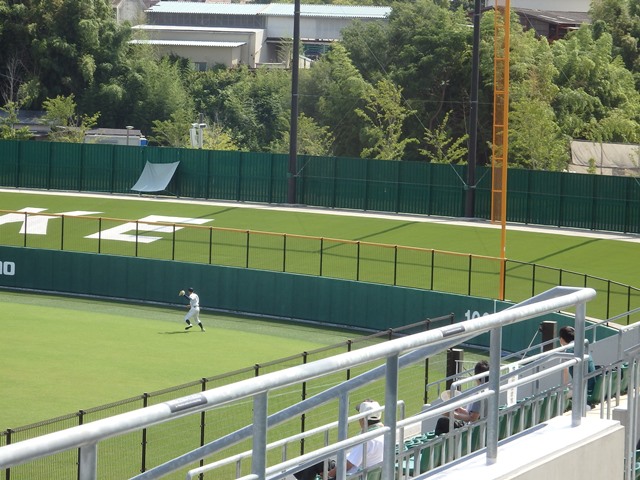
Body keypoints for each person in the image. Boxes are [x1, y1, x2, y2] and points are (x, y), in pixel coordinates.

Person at [293, 399, 384, 480]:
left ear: (362, 418)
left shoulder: (366, 439)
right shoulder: (384, 432)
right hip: (364, 473)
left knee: (312, 466)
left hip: (351, 475)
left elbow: (348, 465)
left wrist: (330, 474)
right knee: (319, 462)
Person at [435, 360, 489, 436]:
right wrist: (460, 409)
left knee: (442, 422)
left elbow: (472, 418)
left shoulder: (480, 394)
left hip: (472, 431)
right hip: (478, 428)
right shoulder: (487, 389)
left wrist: (451, 414)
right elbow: (473, 414)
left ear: (476, 375)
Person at [559, 325, 595, 395]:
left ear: (561, 339)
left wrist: (565, 391)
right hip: (592, 385)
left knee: (562, 396)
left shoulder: (568, 351)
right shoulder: (583, 346)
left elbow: (564, 373)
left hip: (584, 389)